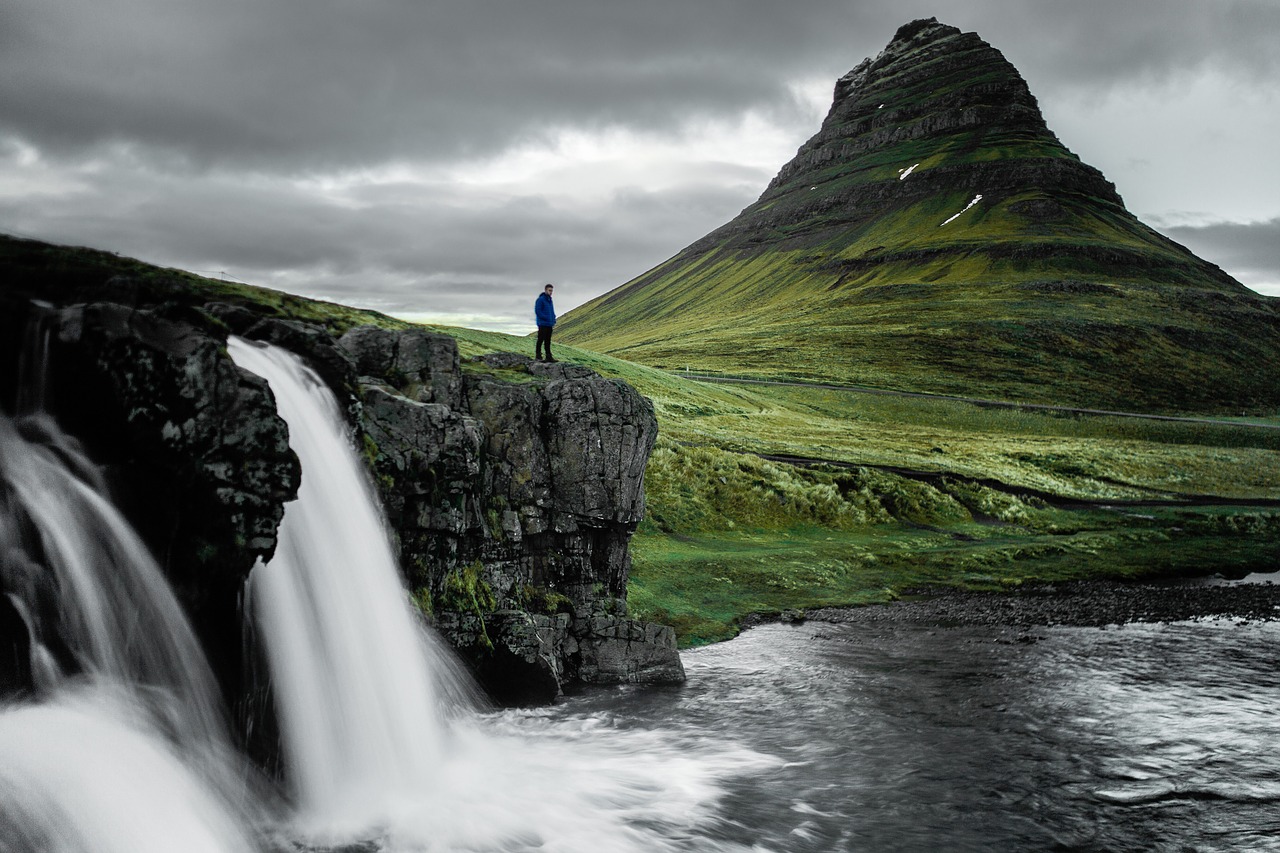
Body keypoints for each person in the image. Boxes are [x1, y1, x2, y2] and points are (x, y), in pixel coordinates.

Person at [534, 283, 557, 362]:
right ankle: (538, 355)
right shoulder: (540, 300)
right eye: (549, 290)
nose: (551, 292)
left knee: (548, 340)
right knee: (541, 339)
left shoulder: (550, 300)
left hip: (549, 324)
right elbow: (538, 311)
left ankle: (548, 356)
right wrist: (546, 318)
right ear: (546, 290)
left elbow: (551, 311)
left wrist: (553, 318)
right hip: (543, 323)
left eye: (552, 291)